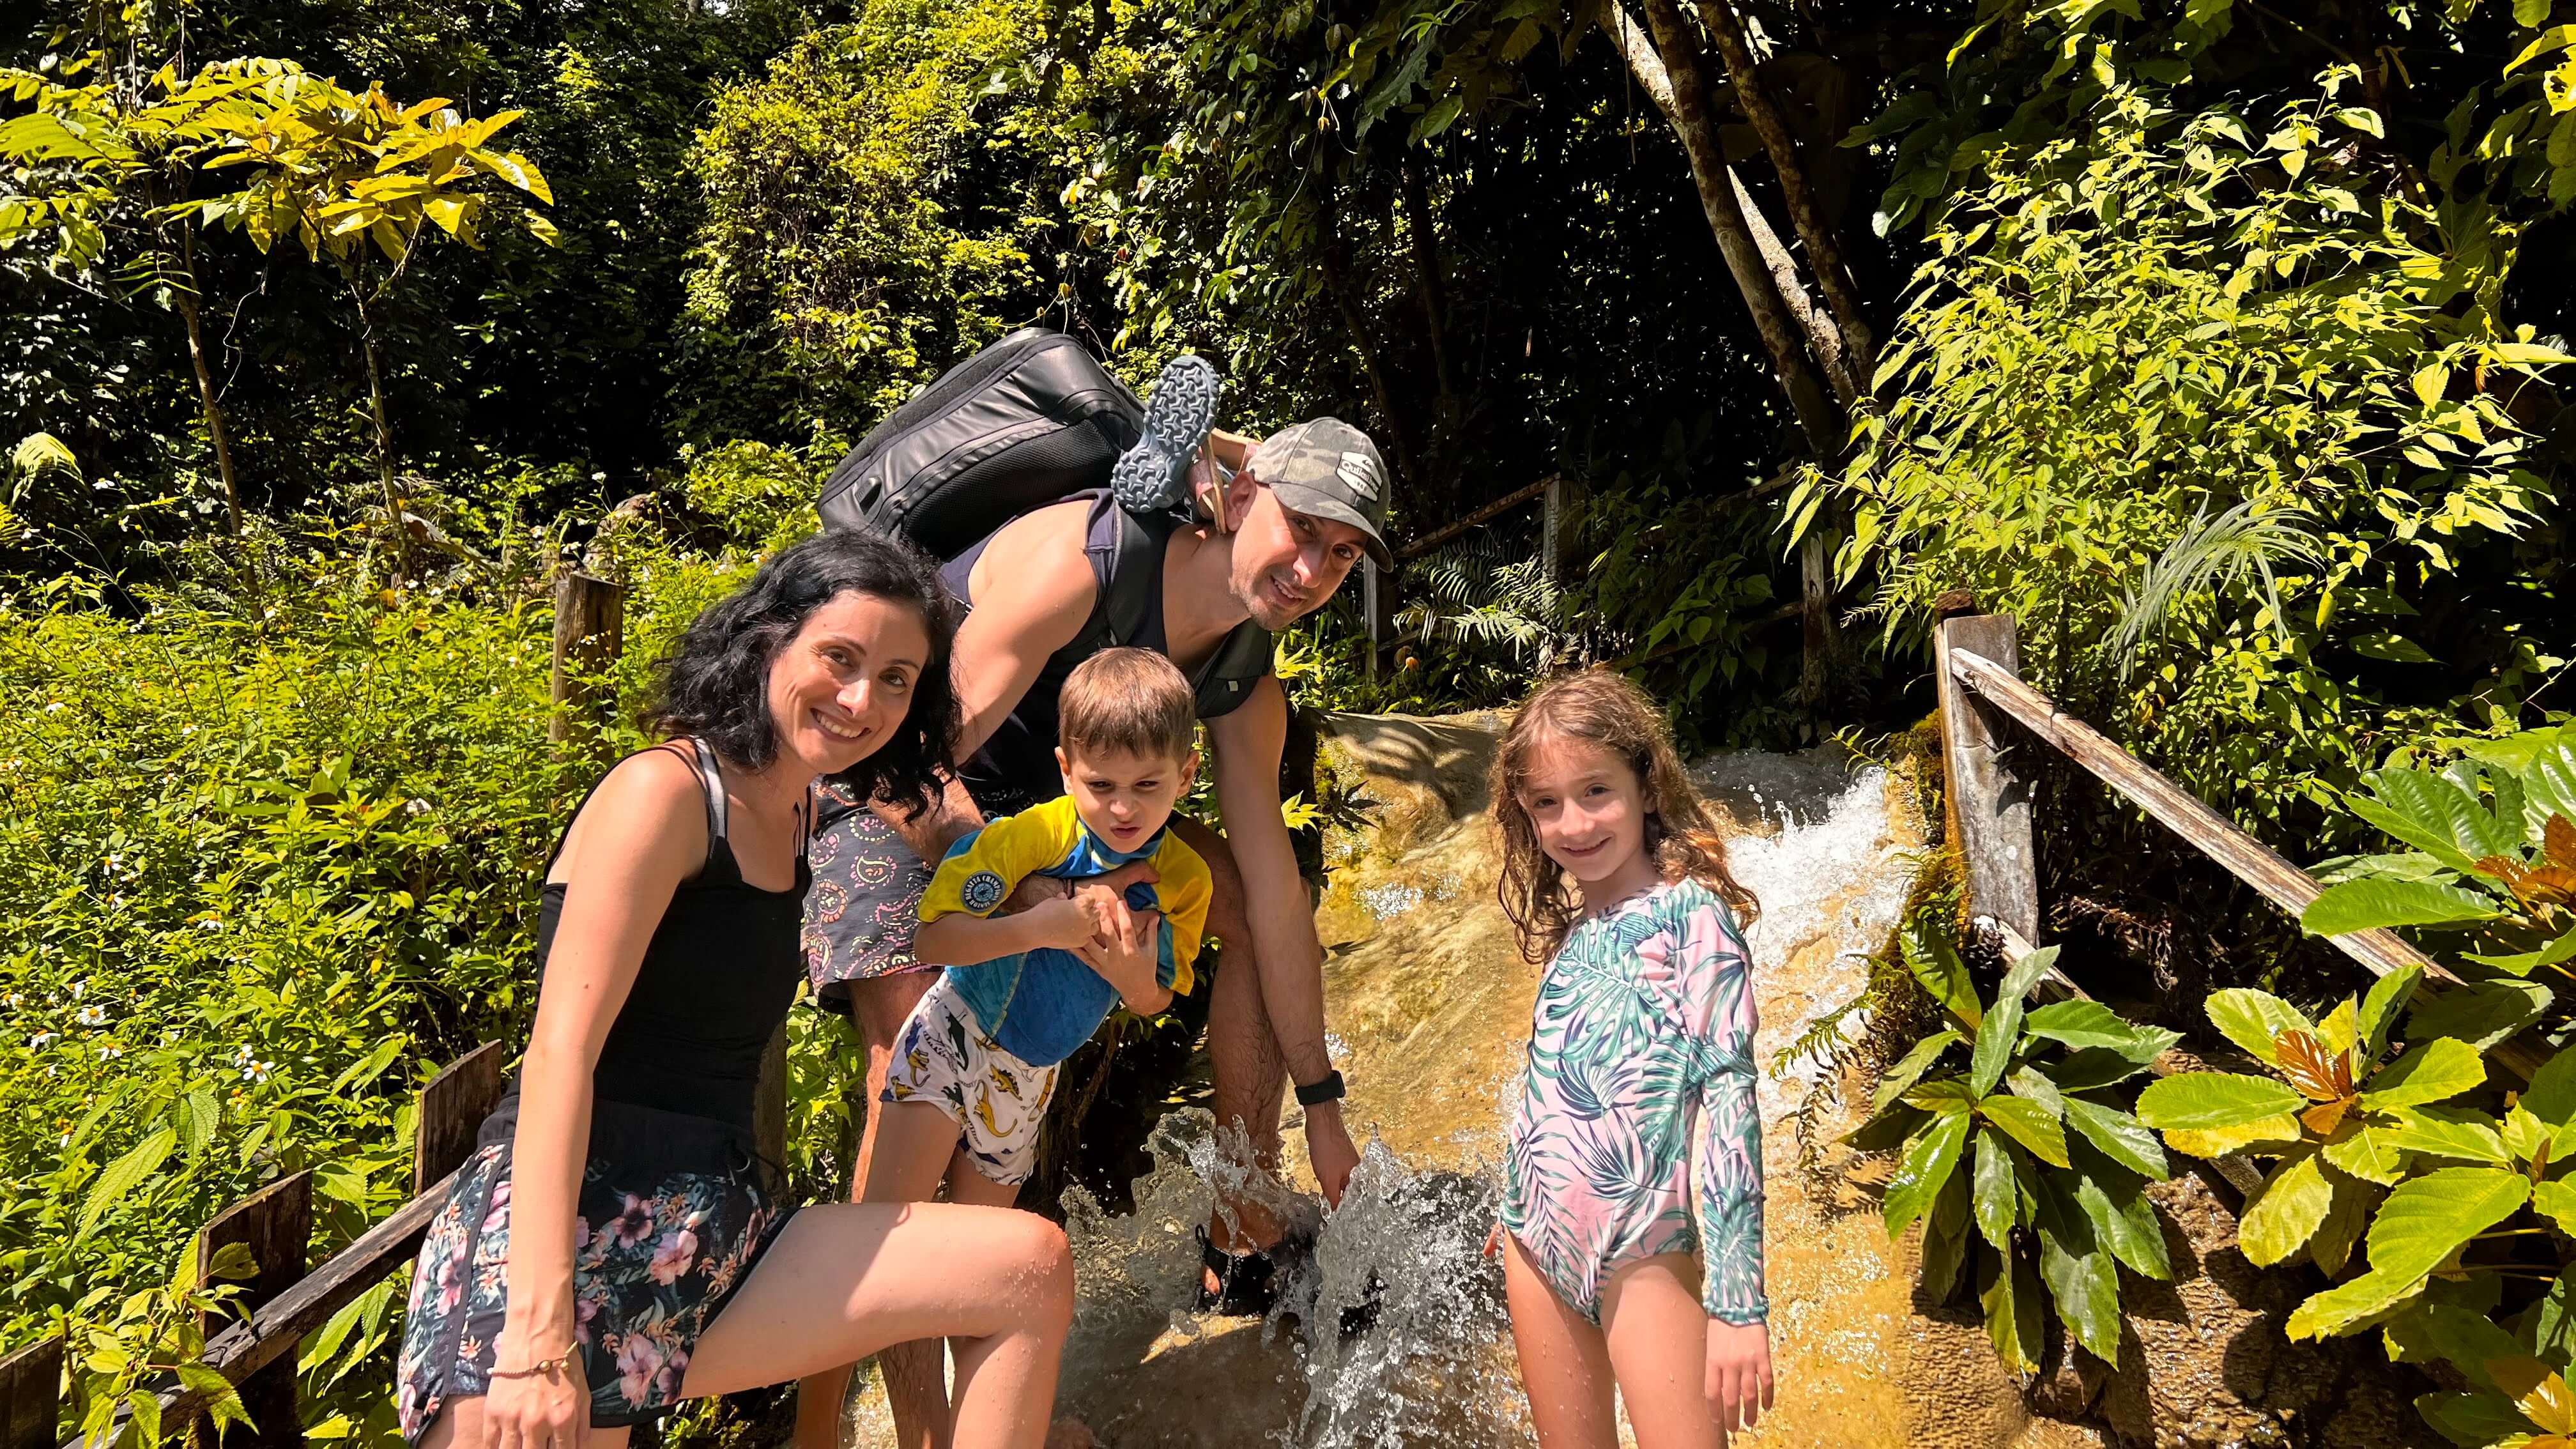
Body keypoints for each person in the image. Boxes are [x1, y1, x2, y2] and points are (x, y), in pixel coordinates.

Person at [796, 392, 1397, 1449]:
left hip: (1066, 810)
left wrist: (1323, 1101)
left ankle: (1243, 1214)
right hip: (898, 782)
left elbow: (1273, 899)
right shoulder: (1080, 561)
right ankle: (914, 1430)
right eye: (1300, 528)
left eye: (1341, 555)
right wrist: (1030, 896)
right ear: (1239, 495)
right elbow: (906, 761)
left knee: (1245, 903)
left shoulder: (1244, 687)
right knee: (911, 1038)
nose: (1311, 570)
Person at [395, 531, 1075, 1449]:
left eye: (895, 679)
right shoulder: (666, 795)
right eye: (839, 658)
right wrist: (536, 1339)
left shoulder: (797, 809)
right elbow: (560, 1053)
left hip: (709, 1228)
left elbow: (949, 845)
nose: (860, 700)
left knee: (1027, 1269)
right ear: (766, 642)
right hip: (559, 1243)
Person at [1483, 668, 1775, 1448]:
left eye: (1595, 792)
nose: (1573, 823)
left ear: (1646, 785)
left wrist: (1738, 1303)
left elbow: (1732, 1104)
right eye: (1547, 804)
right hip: (1533, 1242)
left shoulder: (1692, 918)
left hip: (1642, 1244)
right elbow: (1552, 1084)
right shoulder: (1571, 937)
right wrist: (1517, 1195)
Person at [867, 647, 1209, 1255]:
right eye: (1101, 785)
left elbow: (1157, 998)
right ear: (1067, 770)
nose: (1123, 807)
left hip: (1030, 1077)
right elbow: (933, 938)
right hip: (953, 1034)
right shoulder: (1034, 837)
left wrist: (1131, 979)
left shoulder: (1185, 880)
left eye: (1147, 785)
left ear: (1185, 775)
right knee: (886, 1235)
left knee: (974, 1256)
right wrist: (1039, 928)